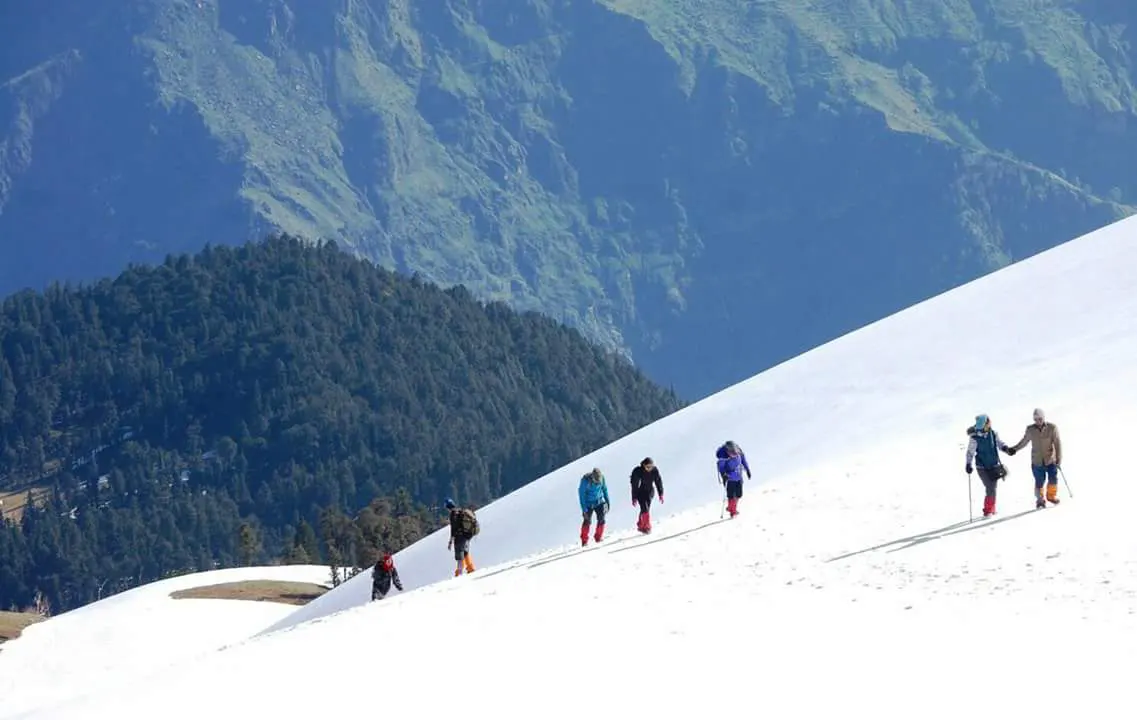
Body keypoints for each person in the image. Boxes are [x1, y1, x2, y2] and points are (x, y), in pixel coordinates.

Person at [1008, 408, 1063, 509]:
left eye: (1040, 419)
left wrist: (1059, 458)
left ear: (1043, 418)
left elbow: (1057, 443)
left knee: (1053, 479)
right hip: (1037, 461)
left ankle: (1051, 496)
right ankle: (1040, 500)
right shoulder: (1031, 430)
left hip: (1050, 459)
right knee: (1039, 481)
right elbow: (1024, 442)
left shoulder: (1052, 428)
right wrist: (1014, 449)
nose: (1038, 421)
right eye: (1036, 419)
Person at [965, 414, 1014, 517]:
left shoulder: (993, 433)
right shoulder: (975, 438)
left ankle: (991, 508)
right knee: (990, 487)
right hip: (982, 467)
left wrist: (1005, 448)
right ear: (984, 424)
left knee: (993, 488)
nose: (990, 423)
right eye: (988, 422)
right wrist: (968, 464)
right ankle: (988, 511)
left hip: (993, 466)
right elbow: (970, 452)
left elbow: (999, 443)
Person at [716, 441, 751, 518]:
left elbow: (743, 461)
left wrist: (747, 470)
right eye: (731, 453)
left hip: (738, 477)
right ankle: (733, 512)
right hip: (730, 479)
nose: (734, 454)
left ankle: (730, 507)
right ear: (727, 451)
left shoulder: (738, 452)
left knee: (739, 494)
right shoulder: (723, 457)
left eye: (734, 452)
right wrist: (724, 475)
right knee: (731, 496)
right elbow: (721, 468)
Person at [630, 457, 664, 534]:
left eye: (651, 467)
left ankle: (640, 524)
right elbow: (634, 485)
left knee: (645, 509)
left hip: (650, 492)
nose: (650, 469)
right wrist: (634, 497)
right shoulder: (638, 471)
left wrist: (661, 494)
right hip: (640, 492)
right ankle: (647, 527)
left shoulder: (654, 470)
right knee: (645, 508)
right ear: (644, 465)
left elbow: (658, 482)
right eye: (648, 467)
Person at [578, 468, 610, 546]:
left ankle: (598, 537)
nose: (597, 482)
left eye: (598, 481)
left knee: (601, 518)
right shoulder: (585, 481)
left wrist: (607, 502)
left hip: (599, 501)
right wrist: (584, 510)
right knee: (587, 521)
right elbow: (581, 495)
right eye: (596, 481)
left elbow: (604, 489)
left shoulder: (602, 478)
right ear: (592, 477)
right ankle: (584, 541)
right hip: (588, 504)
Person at [445, 498, 478, 576]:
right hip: (467, 535)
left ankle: (459, 573)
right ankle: (470, 568)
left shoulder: (453, 514)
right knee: (465, 552)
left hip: (459, 537)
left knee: (459, 554)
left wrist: (451, 541)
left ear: (447, 507)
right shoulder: (460, 511)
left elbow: (453, 529)